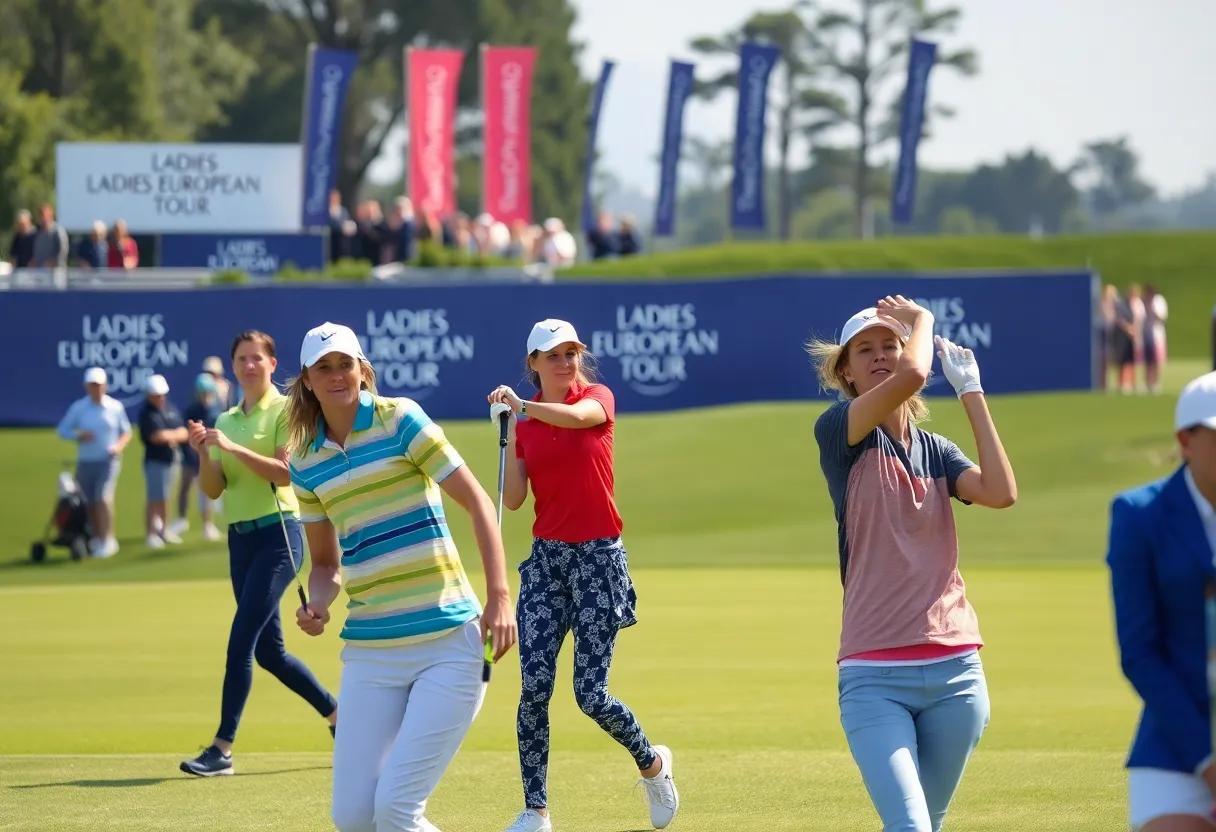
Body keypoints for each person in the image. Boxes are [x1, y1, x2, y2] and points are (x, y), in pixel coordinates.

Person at [285, 321, 517, 832]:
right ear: (306, 379)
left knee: (394, 810)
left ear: (362, 369)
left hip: (449, 643)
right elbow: (325, 565)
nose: (336, 375)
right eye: (323, 367)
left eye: (345, 363)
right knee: (352, 817)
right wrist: (318, 603)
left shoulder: (401, 420)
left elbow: (479, 503)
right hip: (370, 651)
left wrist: (500, 597)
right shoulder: (303, 461)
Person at [807, 296, 1017, 832]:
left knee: (929, 822)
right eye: (865, 350)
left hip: (957, 672)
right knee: (910, 826)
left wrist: (971, 392)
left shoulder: (937, 451)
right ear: (846, 371)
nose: (880, 356)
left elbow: (1000, 492)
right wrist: (920, 323)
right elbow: (916, 373)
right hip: (874, 674)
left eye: (890, 346)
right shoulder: (839, 431)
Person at [487, 318, 680, 832]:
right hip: (548, 563)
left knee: (590, 694)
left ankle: (653, 764)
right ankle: (536, 810)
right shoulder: (524, 425)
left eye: (571, 352)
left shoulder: (598, 397)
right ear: (533, 363)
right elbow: (512, 499)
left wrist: (522, 407)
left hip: (598, 560)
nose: (565, 361)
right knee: (534, 685)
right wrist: (505, 433)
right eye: (553, 355)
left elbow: (579, 419)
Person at [178, 331, 339, 777]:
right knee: (270, 653)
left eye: (257, 358)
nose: (249, 365)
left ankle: (222, 748)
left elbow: (286, 474)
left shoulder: (286, 411)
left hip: (280, 536)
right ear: (233, 367)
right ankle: (338, 717)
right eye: (242, 359)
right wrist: (206, 456)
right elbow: (214, 490)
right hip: (241, 540)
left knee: (241, 639)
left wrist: (231, 448)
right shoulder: (225, 419)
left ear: (272, 363)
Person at [1107, 371, 1216, 832]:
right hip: (1177, 740)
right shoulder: (1139, 515)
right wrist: (1207, 761)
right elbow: (1140, 653)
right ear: (1185, 441)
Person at [55, 367, 132, 558]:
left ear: (105, 386)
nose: (96, 389)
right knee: (89, 502)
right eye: (92, 386)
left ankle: (109, 539)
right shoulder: (79, 408)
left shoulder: (115, 407)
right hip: (86, 461)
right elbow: (63, 430)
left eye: (99, 385)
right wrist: (78, 436)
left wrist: (118, 447)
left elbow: (126, 432)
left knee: (103, 498)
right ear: (86, 387)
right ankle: (97, 538)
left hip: (108, 461)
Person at [170, 374, 224, 542]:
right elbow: (185, 433)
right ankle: (181, 519)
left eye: (207, 392)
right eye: (202, 392)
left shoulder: (217, 412)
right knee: (184, 487)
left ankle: (208, 525)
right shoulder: (191, 411)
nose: (204, 395)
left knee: (206, 492)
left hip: (208, 458)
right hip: (190, 456)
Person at [137, 374, 188, 549]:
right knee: (154, 498)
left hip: (172, 460)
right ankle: (151, 534)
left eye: (161, 394)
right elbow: (156, 437)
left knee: (166, 498)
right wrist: (172, 435)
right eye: (155, 394)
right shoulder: (146, 414)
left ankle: (164, 530)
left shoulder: (170, 409)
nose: (159, 397)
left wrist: (170, 435)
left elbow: (184, 432)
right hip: (155, 461)